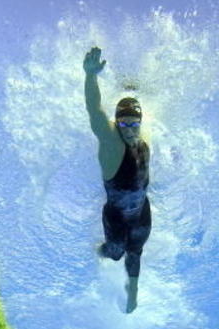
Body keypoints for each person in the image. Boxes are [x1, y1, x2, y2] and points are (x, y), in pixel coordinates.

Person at [83, 46, 152, 314]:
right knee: (115, 254)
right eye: (123, 124)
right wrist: (90, 77)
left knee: (136, 253)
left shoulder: (143, 138)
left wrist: (133, 91)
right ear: (116, 124)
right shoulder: (112, 145)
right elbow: (95, 112)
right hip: (116, 217)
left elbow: (141, 116)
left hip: (141, 213)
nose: (131, 129)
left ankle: (132, 290)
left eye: (135, 123)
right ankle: (98, 251)